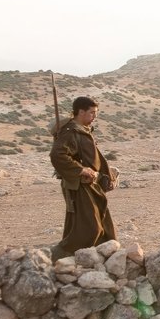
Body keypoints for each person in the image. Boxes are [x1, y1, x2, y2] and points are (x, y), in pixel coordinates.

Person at [50, 96, 117, 260]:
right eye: (92, 112)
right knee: (90, 227)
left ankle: (100, 257)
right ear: (81, 112)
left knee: (99, 222)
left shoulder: (82, 129)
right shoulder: (70, 132)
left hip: (90, 184)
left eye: (96, 112)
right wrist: (80, 170)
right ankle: (60, 256)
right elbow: (57, 155)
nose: (95, 116)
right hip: (79, 185)